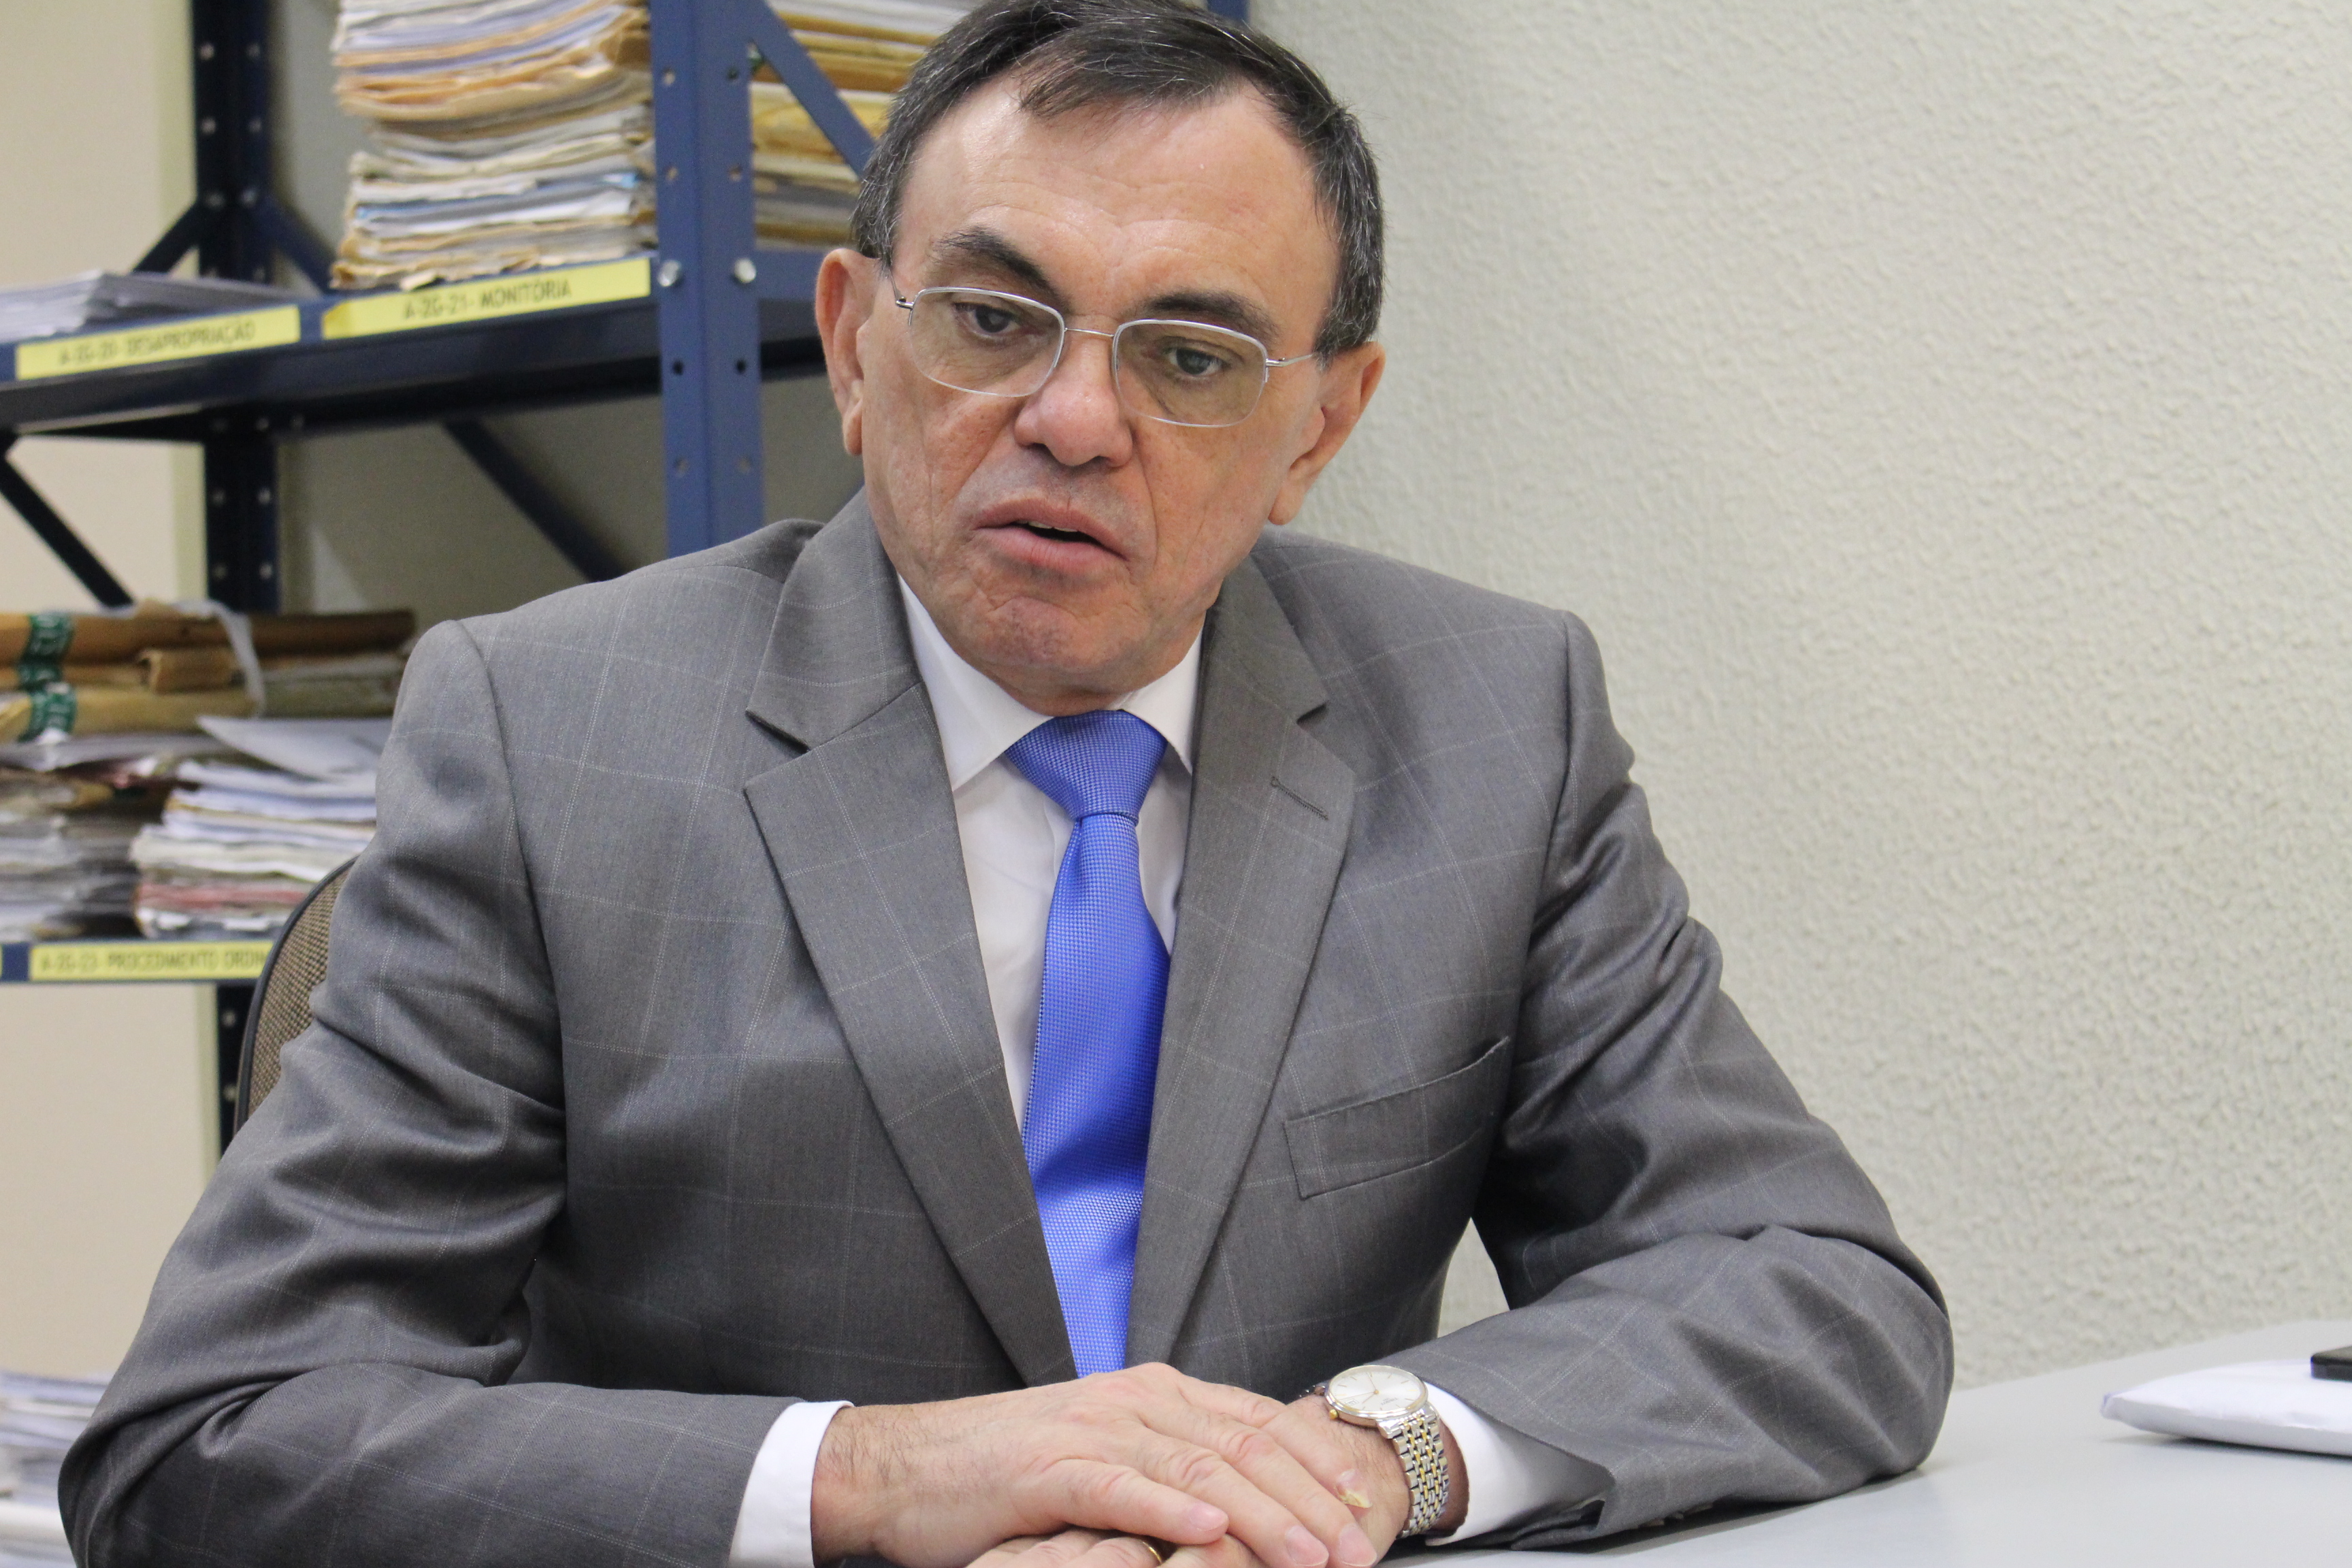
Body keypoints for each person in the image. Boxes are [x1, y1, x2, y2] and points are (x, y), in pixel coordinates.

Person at [64, 4, 1952, 1566]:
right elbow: (216, 1441)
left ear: (1320, 427)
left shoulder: (1489, 721)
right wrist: (867, 1480)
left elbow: (1814, 1287)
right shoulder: (552, 736)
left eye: (1192, 356)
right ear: (852, 345)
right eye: (991, 320)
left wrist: (1367, 1460)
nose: (1072, 419)